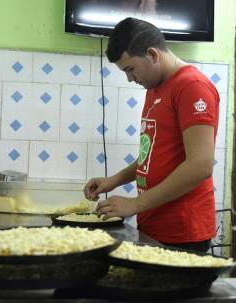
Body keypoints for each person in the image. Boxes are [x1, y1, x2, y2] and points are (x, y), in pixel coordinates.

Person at [84, 17, 219, 252]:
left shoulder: (192, 86)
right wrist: (113, 181)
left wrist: (135, 204)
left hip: (182, 231)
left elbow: (200, 165)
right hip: (154, 224)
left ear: (152, 54)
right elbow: (153, 156)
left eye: (130, 69)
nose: (129, 78)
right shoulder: (155, 86)